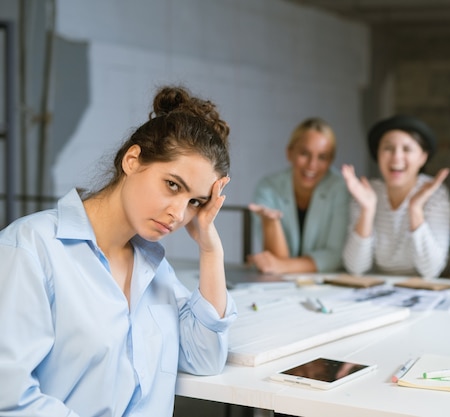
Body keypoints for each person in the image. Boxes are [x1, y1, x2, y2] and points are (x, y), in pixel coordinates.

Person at [0, 86, 237, 416]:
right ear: (132, 160)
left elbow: (205, 358)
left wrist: (211, 251)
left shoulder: (154, 268)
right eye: (172, 185)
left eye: (194, 201)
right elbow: (9, 398)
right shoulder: (30, 248)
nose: (179, 213)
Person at [341, 115, 450, 277]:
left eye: (407, 149)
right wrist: (367, 209)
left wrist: (415, 209)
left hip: (419, 289)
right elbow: (355, 268)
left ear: (423, 157)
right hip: (376, 288)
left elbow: (432, 270)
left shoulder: (435, 194)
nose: (396, 157)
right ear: (377, 154)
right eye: (388, 148)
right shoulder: (366, 192)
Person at [248, 117, 349, 274]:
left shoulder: (340, 187)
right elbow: (274, 261)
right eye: (304, 153)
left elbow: (333, 256)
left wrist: (283, 266)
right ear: (290, 153)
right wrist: (271, 223)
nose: (312, 165)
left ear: (330, 161)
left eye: (322, 157)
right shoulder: (268, 187)